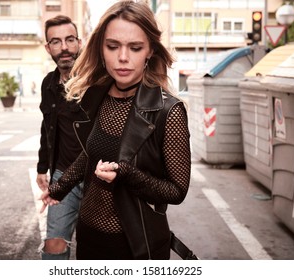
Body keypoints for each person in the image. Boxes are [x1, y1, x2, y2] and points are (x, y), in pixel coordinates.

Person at [40, 1, 191, 260]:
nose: (123, 57)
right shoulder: (95, 96)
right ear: (100, 49)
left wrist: (125, 174)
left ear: (150, 50)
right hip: (87, 240)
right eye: (113, 46)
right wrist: (59, 187)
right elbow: (90, 153)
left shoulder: (168, 111)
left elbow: (176, 191)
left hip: (132, 245)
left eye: (135, 48)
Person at [36, 14, 85, 260]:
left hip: (99, 176)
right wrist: (42, 168)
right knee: (53, 244)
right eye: (56, 42)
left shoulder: (96, 80)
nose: (64, 47)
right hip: (62, 174)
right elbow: (47, 128)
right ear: (48, 48)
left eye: (70, 40)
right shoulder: (48, 83)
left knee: (95, 248)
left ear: (79, 42)